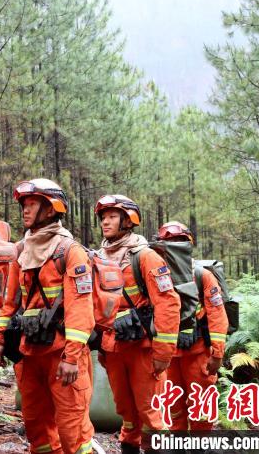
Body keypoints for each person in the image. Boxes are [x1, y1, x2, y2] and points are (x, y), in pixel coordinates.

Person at [0, 178, 95, 454]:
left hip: (61, 354)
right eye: (24, 205)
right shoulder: (22, 251)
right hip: (29, 352)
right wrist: (0, 340)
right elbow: (10, 301)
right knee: (36, 425)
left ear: (51, 209)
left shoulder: (70, 252)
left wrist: (72, 357)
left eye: (32, 204)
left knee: (73, 429)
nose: (25, 210)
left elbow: (80, 308)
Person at [94, 195, 181, 454]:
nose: (105, 222)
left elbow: (167, 303)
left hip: (142, 349)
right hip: (112, 348)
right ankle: (129, 446)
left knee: (151, 411)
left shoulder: (145, 257)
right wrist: (98, 344)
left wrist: (163, 353)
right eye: (103, 217)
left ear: (128, 220)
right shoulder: (97, 258)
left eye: (112, 216)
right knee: (125, 410)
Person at [156, 221, 228, 431]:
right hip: (166, 354)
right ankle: (178, 440)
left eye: (179, 242)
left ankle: (200, 442)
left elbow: (217, 314)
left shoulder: (202, 275)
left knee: (201, 401)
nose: (175, 247)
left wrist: (217, 353)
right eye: (170, 243)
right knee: (172, 403)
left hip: (197, 352)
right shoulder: (155, 275)